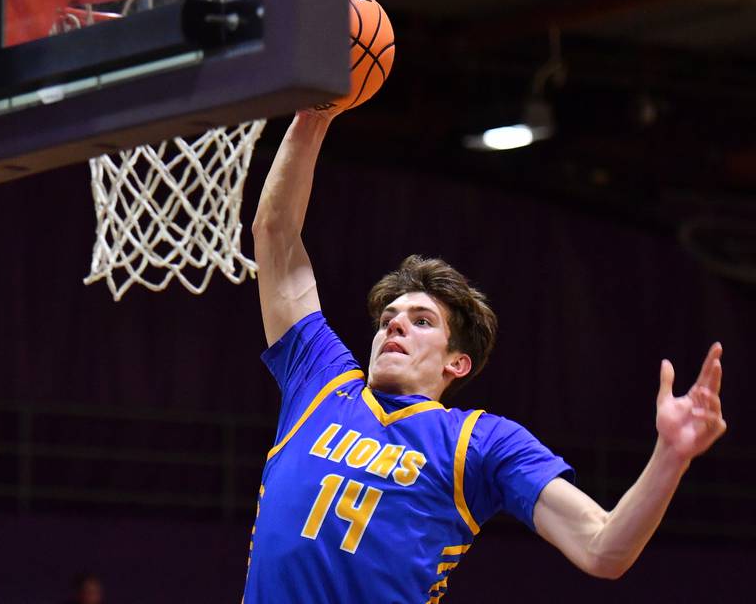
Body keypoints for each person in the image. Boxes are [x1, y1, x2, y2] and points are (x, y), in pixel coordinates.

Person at [242, 109, 726, 603]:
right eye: (390, 316)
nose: (396, 323)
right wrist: (315, 115)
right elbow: (275, 233)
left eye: (422, 320)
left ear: (458, 362)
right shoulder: (322, 382)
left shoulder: (478, 442)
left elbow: (603, 549)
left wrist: (671, 456)